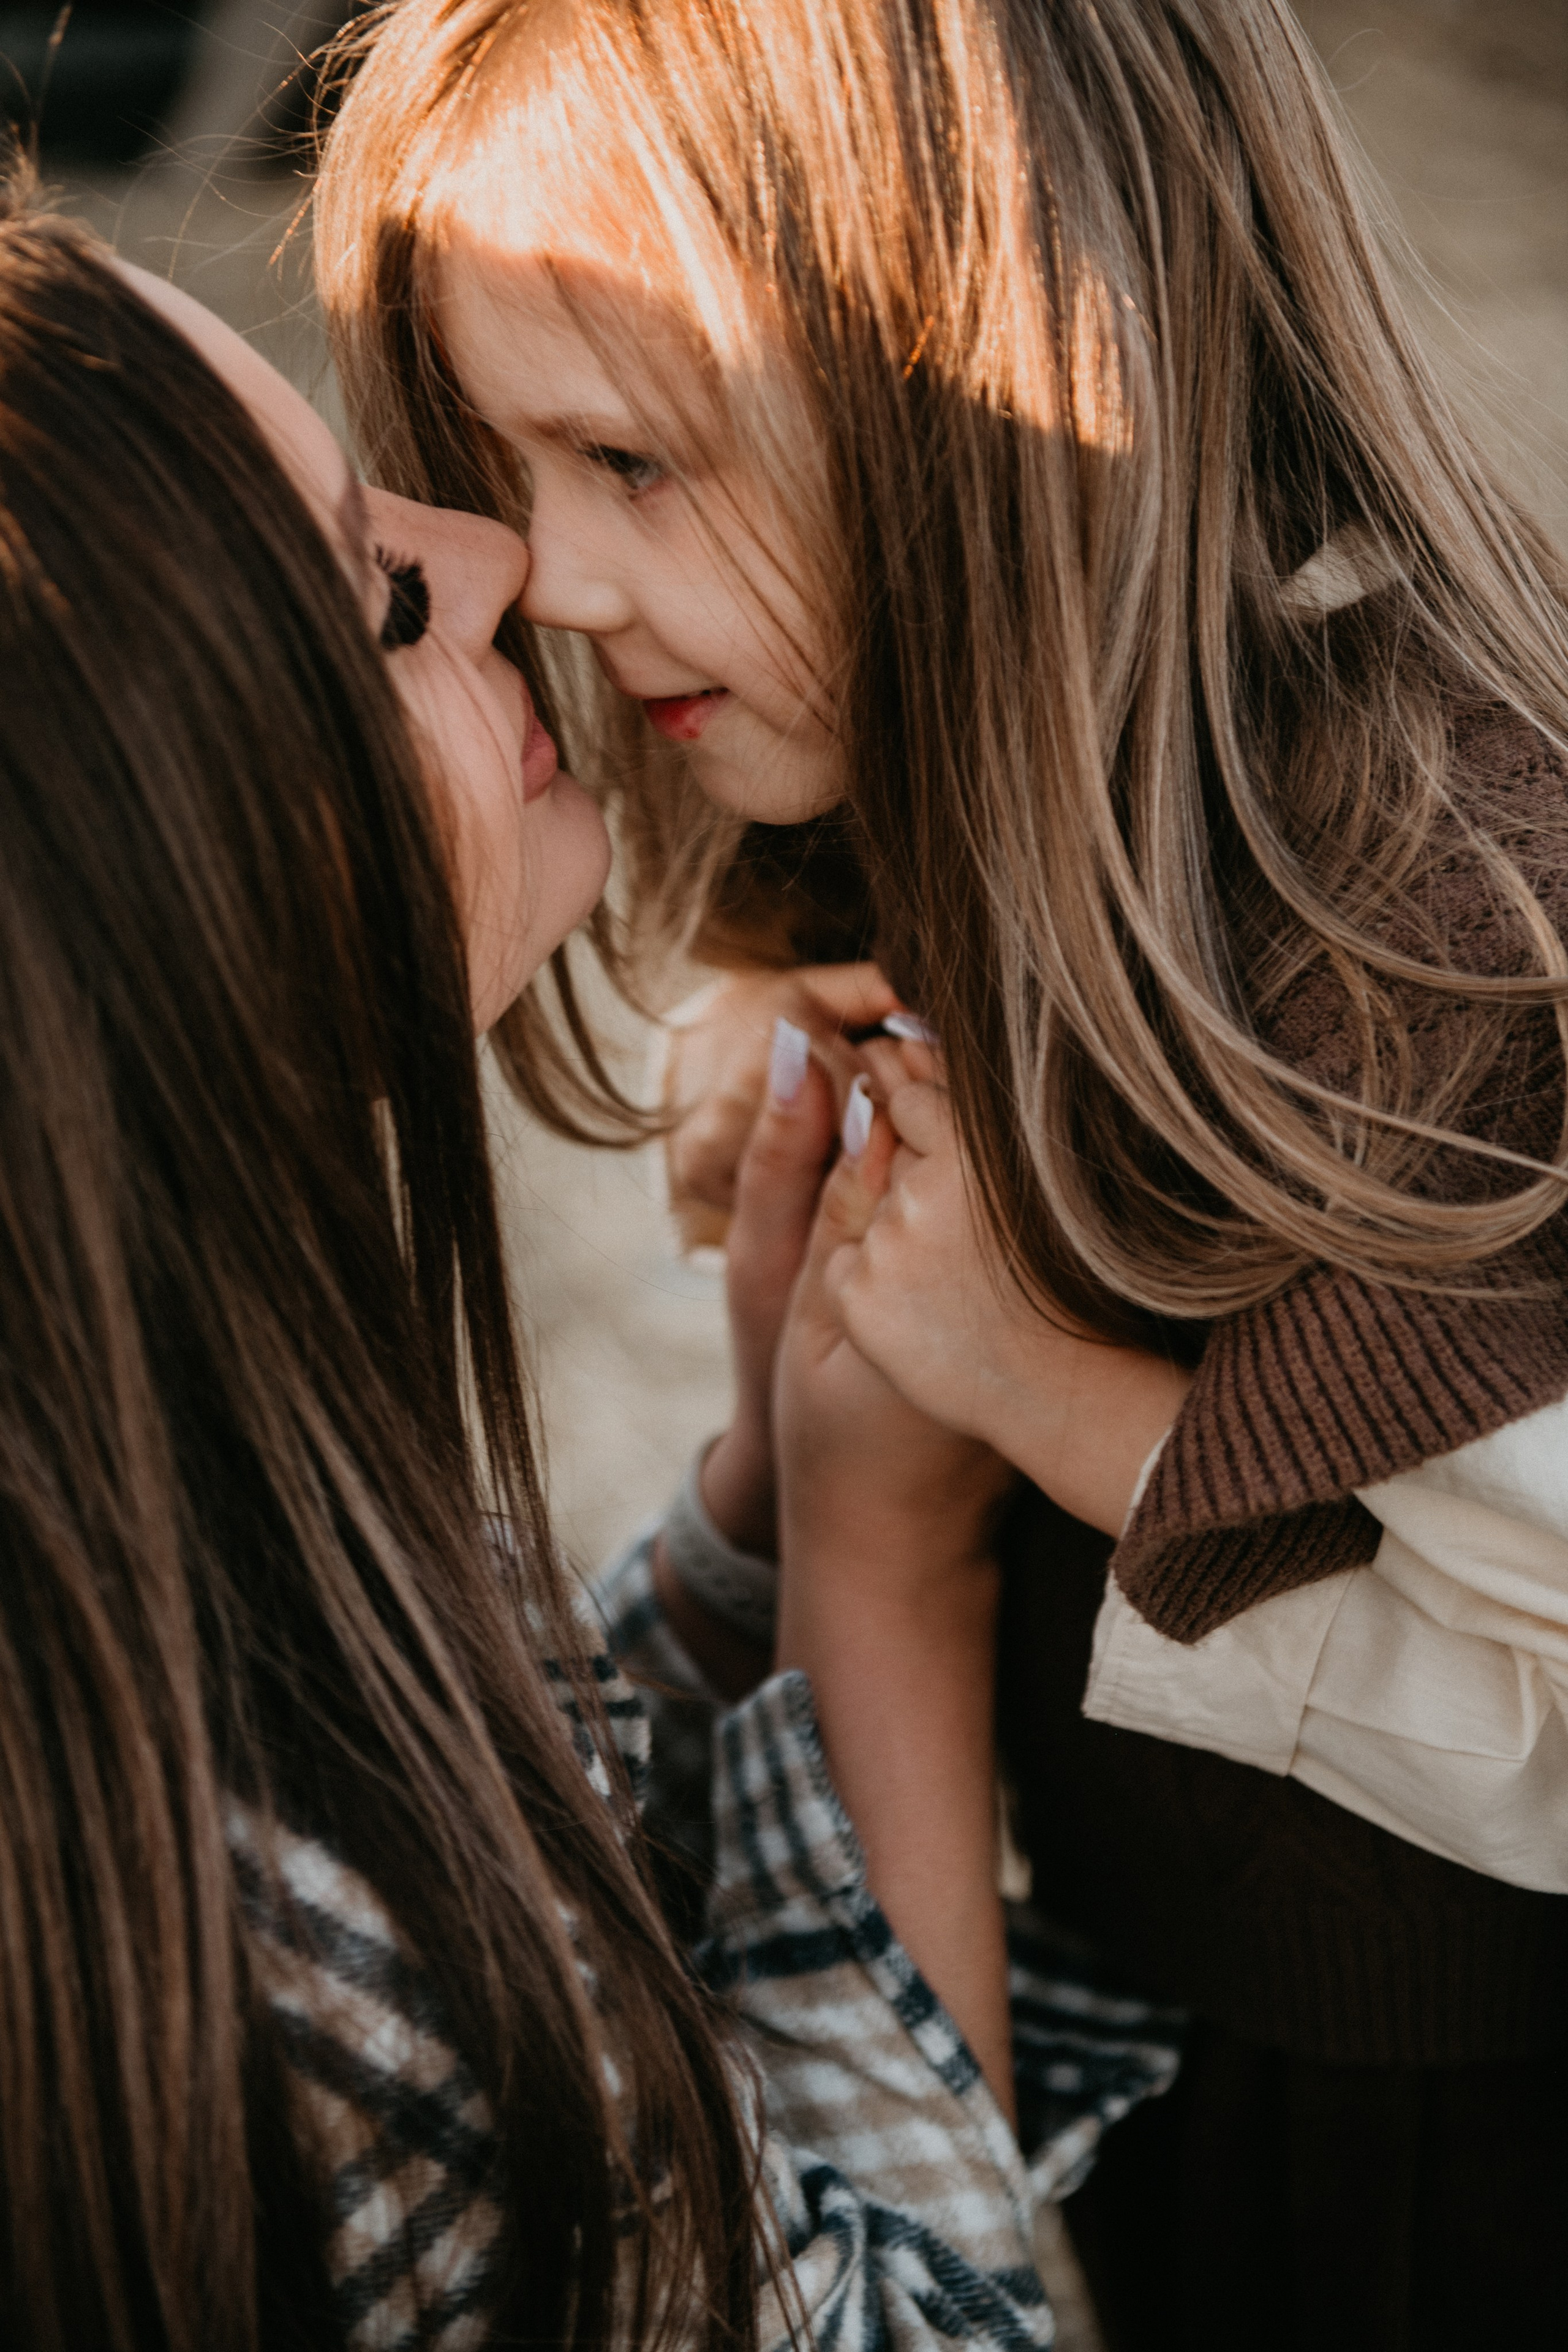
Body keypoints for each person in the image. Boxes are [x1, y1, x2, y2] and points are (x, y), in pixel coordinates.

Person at [314, 1, 1568, 2343]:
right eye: (513, 470)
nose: (555, 579)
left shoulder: (1451, 957)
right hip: (1175, 2035)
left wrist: (1047, 1402)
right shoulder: (961, 765)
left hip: (1458, 2157)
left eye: (630, 459)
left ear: (986, 387)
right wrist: (778, 979)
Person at [0, 181, 1178, 2350]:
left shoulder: (130, 1500)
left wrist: (754, 1495)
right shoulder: (297, 1968)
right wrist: (880, 1566)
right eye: (377, 605)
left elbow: (494, 1776)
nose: (508, 563)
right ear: (160, 901)